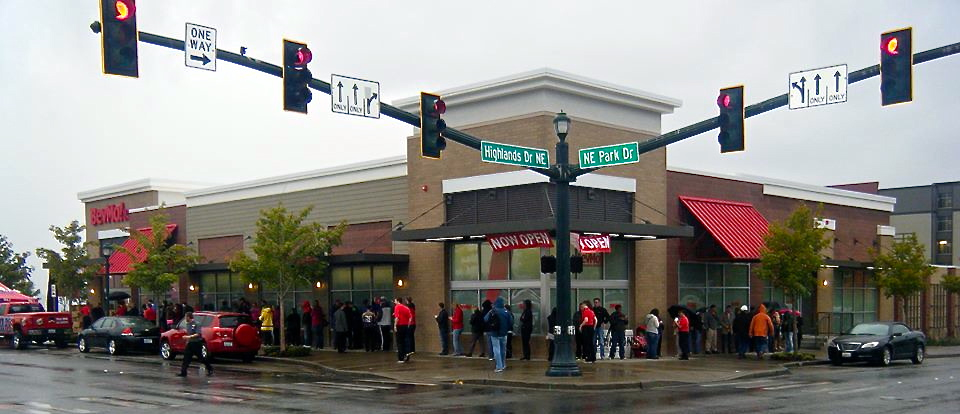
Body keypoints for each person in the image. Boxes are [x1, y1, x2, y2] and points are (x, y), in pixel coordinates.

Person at [177, 312, 212, 377]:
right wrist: (187, 340)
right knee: (186, 358)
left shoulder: (196, 324)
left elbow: (198, 334)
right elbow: (188, 333)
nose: (185, 319)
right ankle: (183, 372)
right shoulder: (187, 324)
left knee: (201, 358)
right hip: (190, 343)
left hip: (197, 343)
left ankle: (209, 368)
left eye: (185, 317)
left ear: (188, 317)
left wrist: (189, 337)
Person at [484, 297, 513, 373]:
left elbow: (485, 319)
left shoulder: (493, 311)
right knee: (503, 349)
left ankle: (498, 366)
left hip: (494, 333)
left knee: (496, 349)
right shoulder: (506, 311)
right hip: (504, 333)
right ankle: (503, 365)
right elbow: (511, 322)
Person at [393, 297, 413, 362]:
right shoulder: (406, 308)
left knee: (399, 342)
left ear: (398, 301)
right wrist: (408, 325)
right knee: (405, 341)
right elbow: (410, 317)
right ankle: (406, 354)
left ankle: (401, 358)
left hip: (399, 326)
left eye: (395, 301)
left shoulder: (397, 307)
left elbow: (397, 317)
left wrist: (395, 326)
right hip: (405, 326)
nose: (394, 302)